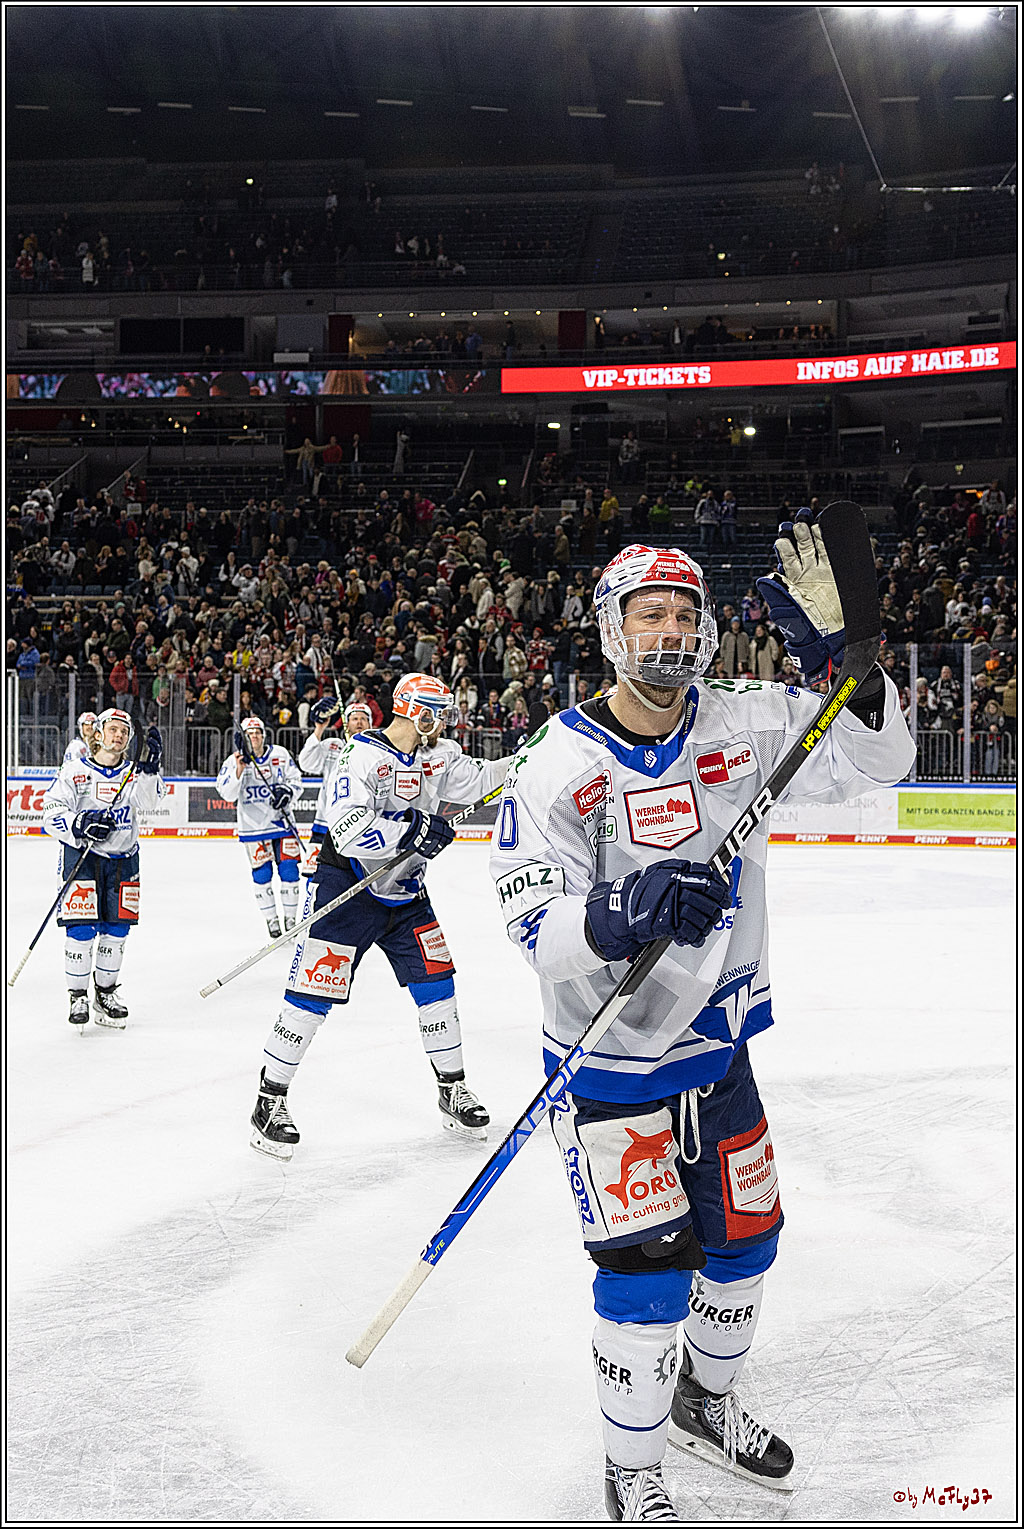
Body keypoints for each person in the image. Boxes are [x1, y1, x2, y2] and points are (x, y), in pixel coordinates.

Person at [489, 533, 915, 1519]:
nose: (670, 631)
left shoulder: (748, 721)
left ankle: (703, 1400)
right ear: (610, 630)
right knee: (644, 1277)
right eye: (649, 613)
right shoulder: (556, 763)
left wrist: (845, 669)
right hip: (610, 1069)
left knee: (747, 1240)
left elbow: (879, 758)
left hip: (719, 1055)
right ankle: (631, 1468)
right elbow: (530, 923)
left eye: (685, 613)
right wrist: (620, 910)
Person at [248, 673, 512, 1162]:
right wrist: (412, 828)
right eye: (438, 709)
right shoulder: (361, 754)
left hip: (406, 892)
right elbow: (348, 831)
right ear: (415, 709)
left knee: (438, 984)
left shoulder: (438, 756)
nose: (445, 719)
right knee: (312, 995)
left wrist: (539, 752)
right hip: (347, 889)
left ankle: (451, 1089)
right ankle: (270, 1099)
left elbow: (484, 778)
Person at [42, 708, 165, 1028]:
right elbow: (51, 812)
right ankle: (78, 996)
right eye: (113, 729)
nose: (120, 735)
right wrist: (79, 823)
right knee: (81, 930)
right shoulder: (74, 770)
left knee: (116, 931)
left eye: (125, 731)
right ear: (97, 734)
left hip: (124, 860)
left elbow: (150, 803)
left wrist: (151, 770)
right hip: (82, 857)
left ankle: (105, 993)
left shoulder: (133, 772)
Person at [216, 715, 304, 939]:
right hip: (253, 828)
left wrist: (287, 793)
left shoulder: (280, 754)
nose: (254, 737)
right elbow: (227, 793)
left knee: (289, 870)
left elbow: (296, 780)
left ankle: (291, 918)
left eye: (257, 733)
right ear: (243, 738)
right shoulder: (234, 760)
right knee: (262, 874)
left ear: (264, 735)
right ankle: (271, 919)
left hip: (282, 824)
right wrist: (238, 769)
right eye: (249, 734)